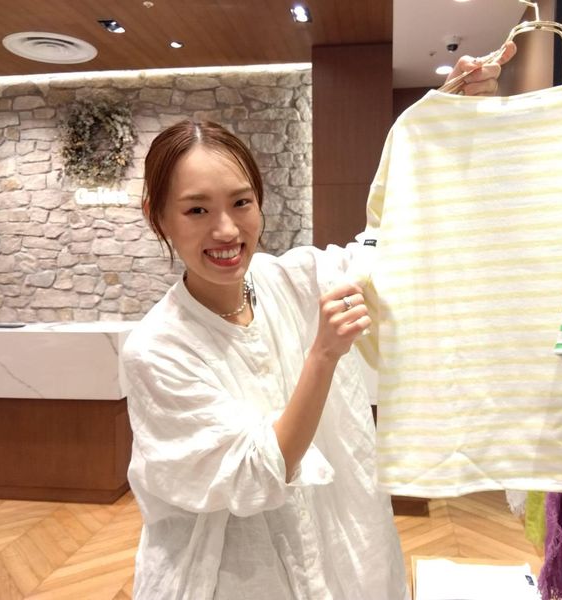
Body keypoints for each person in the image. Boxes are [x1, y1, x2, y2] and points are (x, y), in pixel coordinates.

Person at [122, 46, 516, 600]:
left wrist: (449, 126)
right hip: (228, 576)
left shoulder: (297, 279)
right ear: (158, 217)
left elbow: (390, 248)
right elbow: (258, 470)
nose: (227, 230)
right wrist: (323, 355)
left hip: (336, 550)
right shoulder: (157, 349)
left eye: (241, 203)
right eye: (197, 210)